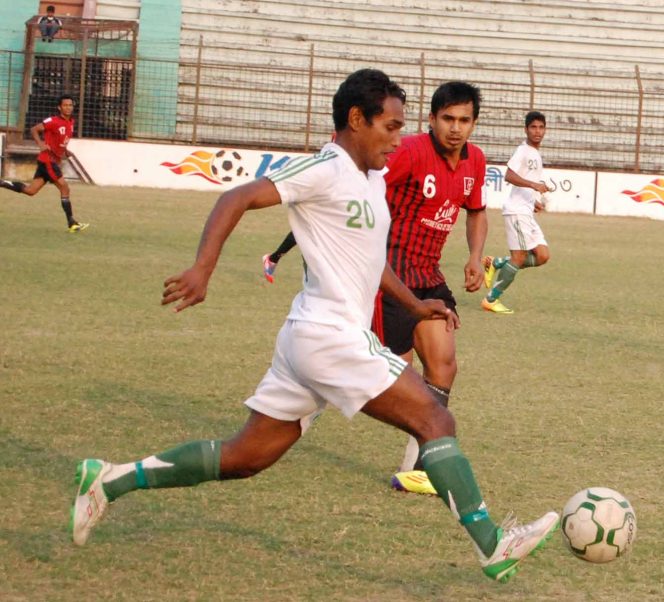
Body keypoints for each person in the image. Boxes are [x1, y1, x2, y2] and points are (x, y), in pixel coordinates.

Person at [69, 69, 558, 582]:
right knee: (436, 421)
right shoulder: (324, 168)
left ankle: (109, 480)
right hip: (328, 336)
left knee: (245, 457)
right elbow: (233, 198)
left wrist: (414, 305)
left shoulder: (369, 180)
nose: (398, 138)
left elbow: (371, 260)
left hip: (314, 337)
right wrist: (203, 268)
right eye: (390, 127)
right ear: (356, 119)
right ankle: (493, 545)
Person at [262, 82, 489, 496]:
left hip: (429, 275)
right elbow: (353, 195)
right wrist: (293, 249)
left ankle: (418, 469)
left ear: (474, 124)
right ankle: (304, 404)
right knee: (385, 375)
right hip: (389, 276)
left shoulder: (475, 161)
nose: (456, 129)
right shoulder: (408, 153)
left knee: (444, 366)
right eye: (448, 119)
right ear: (432, 120)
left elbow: (477, 212)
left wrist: (475, 256)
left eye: (465, 120)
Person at [481, 111, 552, 314]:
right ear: (526, 129)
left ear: (545, 130)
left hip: (525, 212)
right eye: (533, 127)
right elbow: (509, 175)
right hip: (516, 212)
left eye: (541, 127)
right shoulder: (523, 151)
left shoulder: (535, 154)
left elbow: (525, 185)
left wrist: (534, 203)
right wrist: (533, 185)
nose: (537, 131)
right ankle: (491, 299)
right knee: (519, 257)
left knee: (542, 256)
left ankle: (497, 263)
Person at [0, 94, 88, 232]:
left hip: (49, 161)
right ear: (59, 107)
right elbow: (34, 129)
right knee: (65, 189)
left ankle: (3, 183)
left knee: (31, 191)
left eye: (70, 105)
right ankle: (72, 223)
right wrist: (40, 143)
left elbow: (60, 140)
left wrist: (65, 150)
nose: (68, 108)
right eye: (65, 105)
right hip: (48, 161)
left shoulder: (71, 122)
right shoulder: (53, 121)